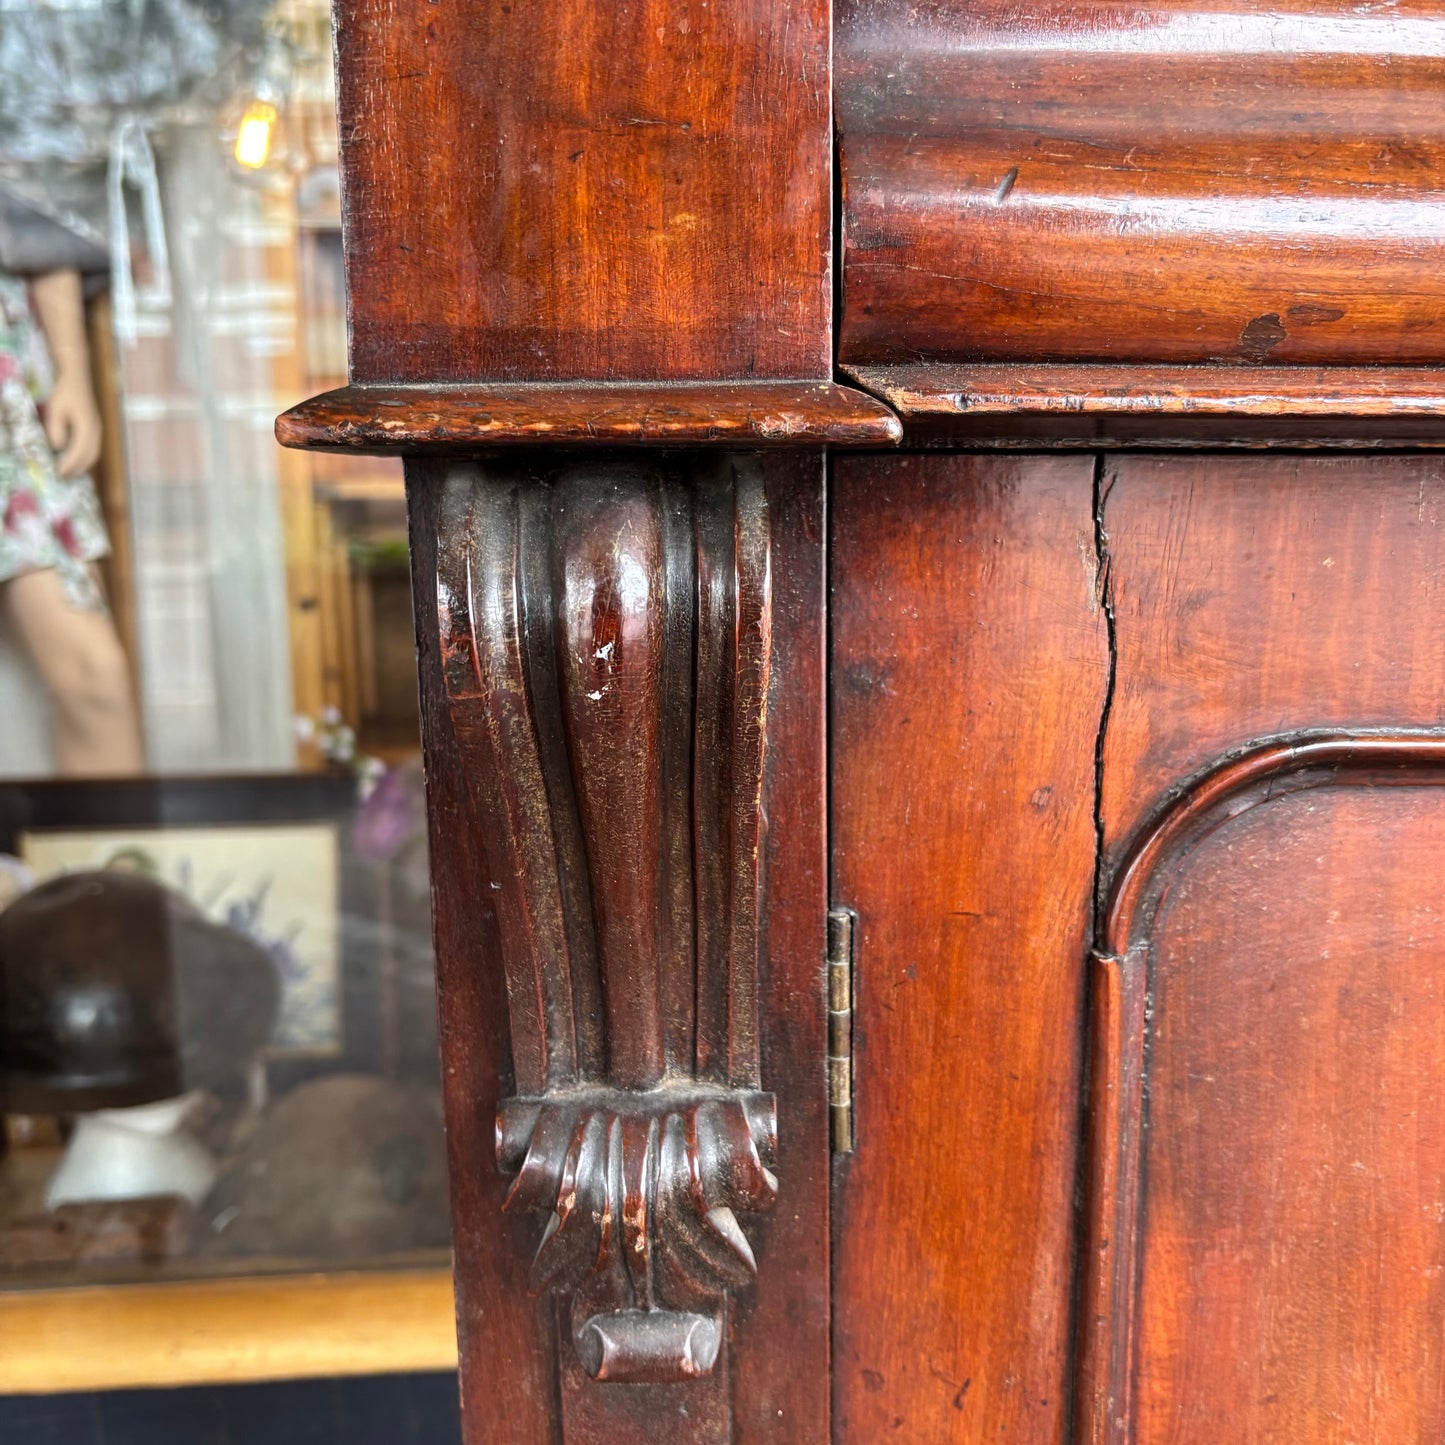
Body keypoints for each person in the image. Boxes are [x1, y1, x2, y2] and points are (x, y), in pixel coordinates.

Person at [0, 264, 142, 774]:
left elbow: (42, 201)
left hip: (9, 398)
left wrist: (73, 372)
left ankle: (112, 854)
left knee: (94, 679)